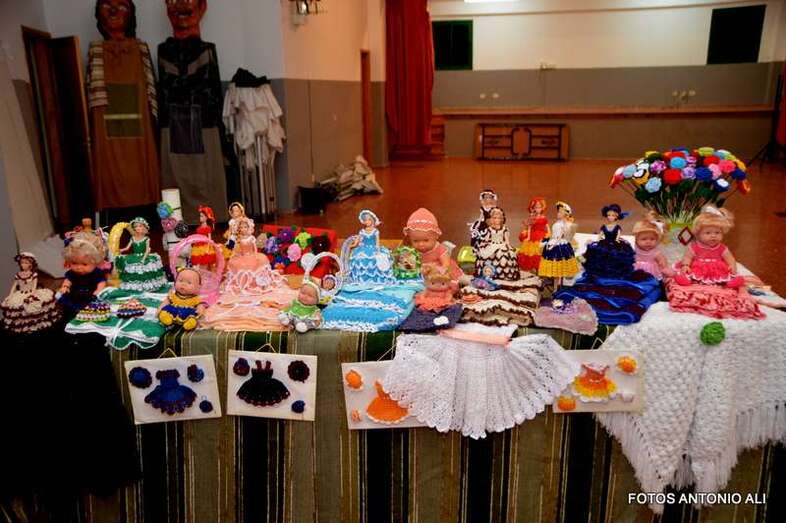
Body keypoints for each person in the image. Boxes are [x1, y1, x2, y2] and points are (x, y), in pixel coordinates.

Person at [674, 206, 744, 288]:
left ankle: (731, 281)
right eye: (708, 233)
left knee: (726, 274)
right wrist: (686, 265)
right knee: (689, 273)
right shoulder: (694, 247)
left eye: (717, 233)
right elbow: (687, 257)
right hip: (699, 268)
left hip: (716, 270)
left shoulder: (722, 248)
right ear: (698, 234)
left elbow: (730, 258)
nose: (713, 236)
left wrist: (732, 266)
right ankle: (686, 279)